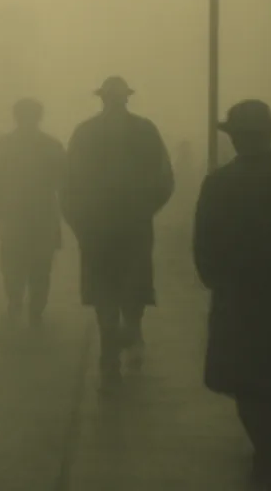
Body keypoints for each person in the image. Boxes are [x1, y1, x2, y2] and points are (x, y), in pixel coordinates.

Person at [194, 100, 271, 486]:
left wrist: (216, 280)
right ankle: (270, 446)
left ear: (236, 139)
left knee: (246, 379)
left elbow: (203, 244)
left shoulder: (218, 183)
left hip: (238, 298)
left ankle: (264, 446)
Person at [60, 76, 174, 393]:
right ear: (126, 98)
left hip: (96, 226)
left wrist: (79, 222)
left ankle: (109, 352)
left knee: (103, 287)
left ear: (102, 99)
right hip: (134, 224)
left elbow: (67, 186)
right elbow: (165, 178)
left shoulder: (85, 133)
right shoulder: (145, 130)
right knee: (133, 283)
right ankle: (132, 334)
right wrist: (146, 208)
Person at [0, 98, 65, 327]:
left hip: (13, 216)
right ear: (40, 117)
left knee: (12, 264)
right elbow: (64, 185)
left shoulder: (0, 147)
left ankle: (15, 302)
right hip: (43, 216)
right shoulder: (52, 146)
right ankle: (36, 310)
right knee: (41, 265)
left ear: (15, 117)